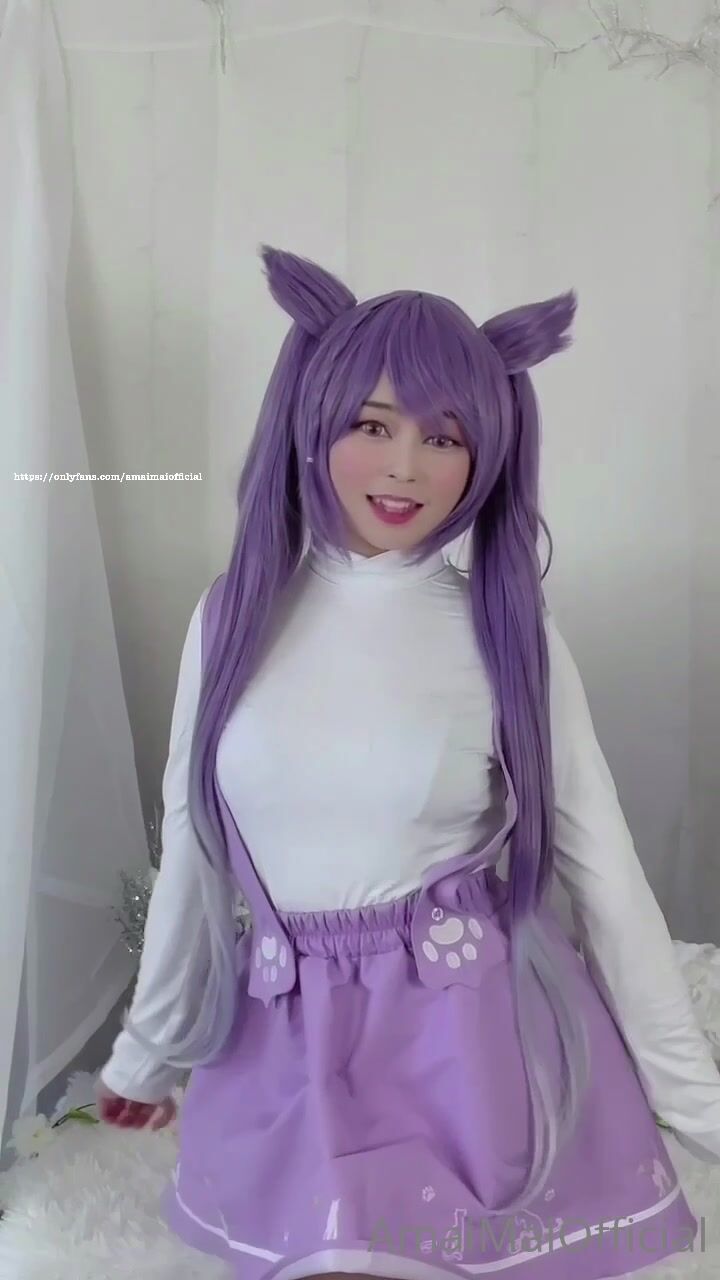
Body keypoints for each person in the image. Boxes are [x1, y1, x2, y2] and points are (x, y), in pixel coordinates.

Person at [97, 246, 720, 1280]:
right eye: (374, 425)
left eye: (445, 437)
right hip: (285, 1046)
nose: (405, 468)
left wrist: (694, 1097)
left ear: (488, 454)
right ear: (314, 418)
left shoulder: (503, 630)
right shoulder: (231, 617)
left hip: (460, 1046)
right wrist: (148, 1049)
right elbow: (194, 844)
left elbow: (602, 866)